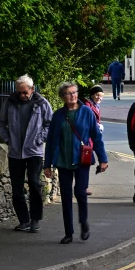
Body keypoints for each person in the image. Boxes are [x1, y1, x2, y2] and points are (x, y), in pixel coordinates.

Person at [44, 82, 109, 244]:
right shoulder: (58, 115)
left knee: (80, 192)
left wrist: (103, 159)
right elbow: (51, 141)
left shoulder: (87, 112)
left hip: (82, 159)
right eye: (68, 93)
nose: (73, 95)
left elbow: (96, 136)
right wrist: (47, 165)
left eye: (74, 92)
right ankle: (68, 232)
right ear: (62, 97)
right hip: (63, 161)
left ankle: (84, 223)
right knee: (66, 196)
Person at [0, 75, 53, 233]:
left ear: (32, 89)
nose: (22, 95)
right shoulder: (9, 102)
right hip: (15, 152)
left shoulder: (42, 103)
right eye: (19, 92)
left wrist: (40, 138)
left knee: (34, 183)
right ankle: (24, 220)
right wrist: (7, 139)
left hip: (34, 151)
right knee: (17, 188)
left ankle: (35, 220)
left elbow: (51, 124)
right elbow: (0, 123)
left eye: (25, 92)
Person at [83, 85, 104, 197]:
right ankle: (82, 187)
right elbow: (86, 122)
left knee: (86, 163)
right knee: (85, 163)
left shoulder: (94, 105)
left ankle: (83, 187)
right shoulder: (87, 106)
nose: (99, 97)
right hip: (86, 140)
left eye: (101, 96)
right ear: (92, 95)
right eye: (97, 95)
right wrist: (97, 126)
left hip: (90, 139)